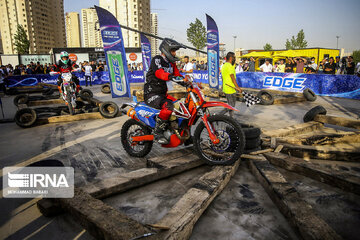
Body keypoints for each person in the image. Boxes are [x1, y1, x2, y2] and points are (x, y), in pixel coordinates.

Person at [144, 38, 186, 144]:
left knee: (180, 106)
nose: (174, 53)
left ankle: (179, 132)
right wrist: (170, 76)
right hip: (151, 94)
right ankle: (157, 132)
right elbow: (159, 73)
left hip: (163, 94)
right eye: (173, 51)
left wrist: (188, 82)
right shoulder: (157, 59)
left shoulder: (171, 64)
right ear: (166, 49)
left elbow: (178, 76)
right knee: (168, 107)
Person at [218, 52, 241, 118]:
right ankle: (218, 115)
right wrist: (238, 87)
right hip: (231, 89)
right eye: (234, 58)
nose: (235, 59)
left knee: (231, 106)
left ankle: (231, 119)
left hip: (226, 88)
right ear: (231, 58)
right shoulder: (230, 66)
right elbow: (232, 78)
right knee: (231, 106)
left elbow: (222, 78)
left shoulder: (224, 66)